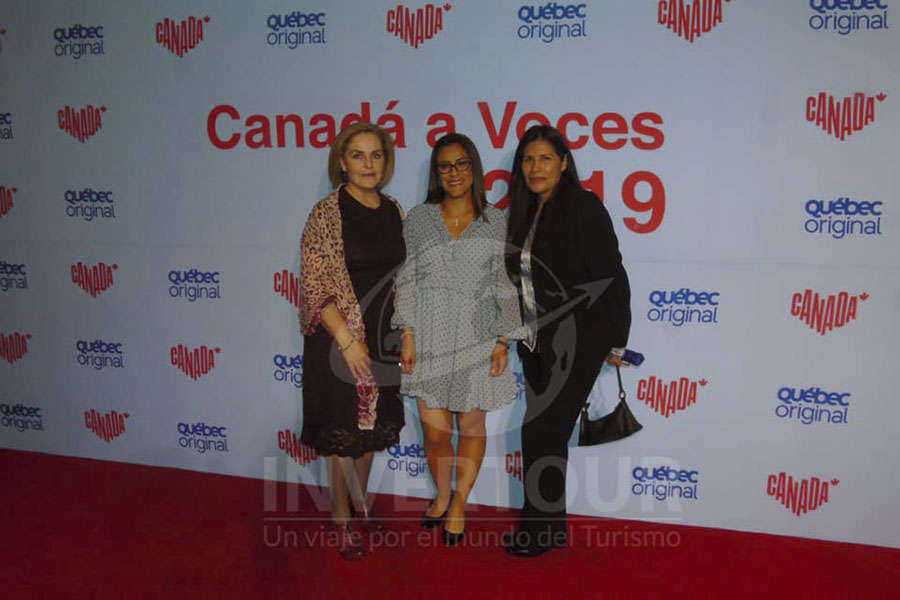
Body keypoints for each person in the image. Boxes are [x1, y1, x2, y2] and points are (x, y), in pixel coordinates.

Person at [503, 125, 631, 558]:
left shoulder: (583, 206)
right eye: (527, 159)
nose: (535, 167)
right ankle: (551, 527)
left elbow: (611, 273)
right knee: (549, 434)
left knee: (539, 430)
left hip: (579, 338)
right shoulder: (523, 211)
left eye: (543, 158)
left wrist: (616, 340)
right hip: (537, 341)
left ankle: (537, 531)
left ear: (563, 162)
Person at [393, 133, 522, 547]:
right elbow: (407, 279)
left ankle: (460, 503)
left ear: (475, 168)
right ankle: (442, 494)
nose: (454, 173)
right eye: (445, 166)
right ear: (436, 172)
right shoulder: (418, 219)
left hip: (478, 335)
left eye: (462, 163)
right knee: (434, 431)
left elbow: (506, 284)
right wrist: (407, 333)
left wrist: (504, 339)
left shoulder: (495, 221)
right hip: (428, 333)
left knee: (470, 425)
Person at [298, 122, 406, 561]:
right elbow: (315, 285)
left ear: (386, 161)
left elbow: (405, 277)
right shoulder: (325, 213)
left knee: (372, 432)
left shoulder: (394, 209)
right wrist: (346, 339)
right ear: (341, 162)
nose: (367, 164)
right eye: (357, 155)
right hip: (338, 340)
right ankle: (341, 520)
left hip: (384, 337)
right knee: (344, 437)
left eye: (375, 155)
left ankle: (361, 504)